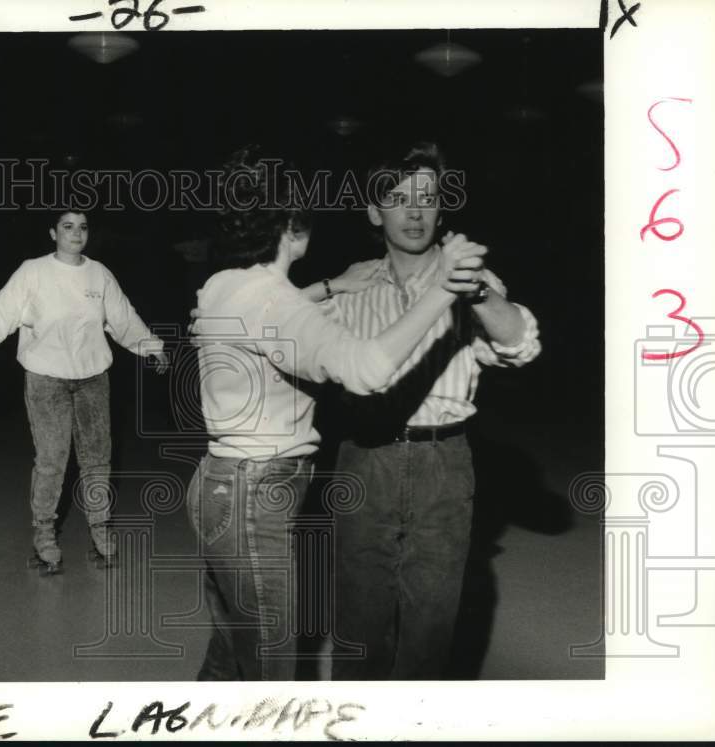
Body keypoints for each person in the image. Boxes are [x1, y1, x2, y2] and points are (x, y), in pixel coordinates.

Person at [187, 145, 489, 680]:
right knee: (271, 673)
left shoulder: (223, 286)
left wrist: (328, 287)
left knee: (231, 653)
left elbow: (269, 316)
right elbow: (368, 368)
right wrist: (442, 289)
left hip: (217, 488)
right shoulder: (276, 303)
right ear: (295, 226)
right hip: (256, 498)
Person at [321, 141, 541, 680]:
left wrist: (475, 291)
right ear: (375, 212)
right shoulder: (352, 282)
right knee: (358, 624)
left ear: (441, 209)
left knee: (432, 626)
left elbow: (522, 345)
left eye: (426, 198)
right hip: (363, 459)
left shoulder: (471, 278)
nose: (414, 211)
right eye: (398, 198)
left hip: (445, 459)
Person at [0, 208, 169, 571]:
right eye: (67, 227)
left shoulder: (99, 274)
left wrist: (151, 346)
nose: (76, 234)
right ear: (52, 232)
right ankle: (44, 533)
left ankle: (99, 528)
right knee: (51, 460)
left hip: (93, 377)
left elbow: (124, 318)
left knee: (97, 459)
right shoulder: (33, 271)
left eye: (82, 227)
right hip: (46, 379)